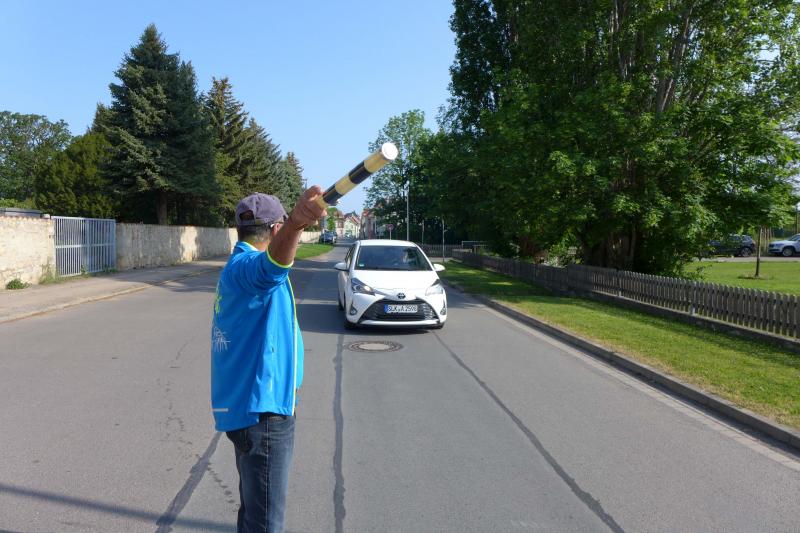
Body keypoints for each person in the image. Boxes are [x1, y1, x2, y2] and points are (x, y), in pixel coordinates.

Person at [210, 187, 325, 533]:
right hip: (263, 416)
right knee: (265, 524)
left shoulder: (236, 269)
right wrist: (296, 225)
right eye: (284, 228)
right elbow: (271, 268)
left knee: (254, 515)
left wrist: (293, 226)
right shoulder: (248, 269)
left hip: (249, 412)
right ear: (276, 229)